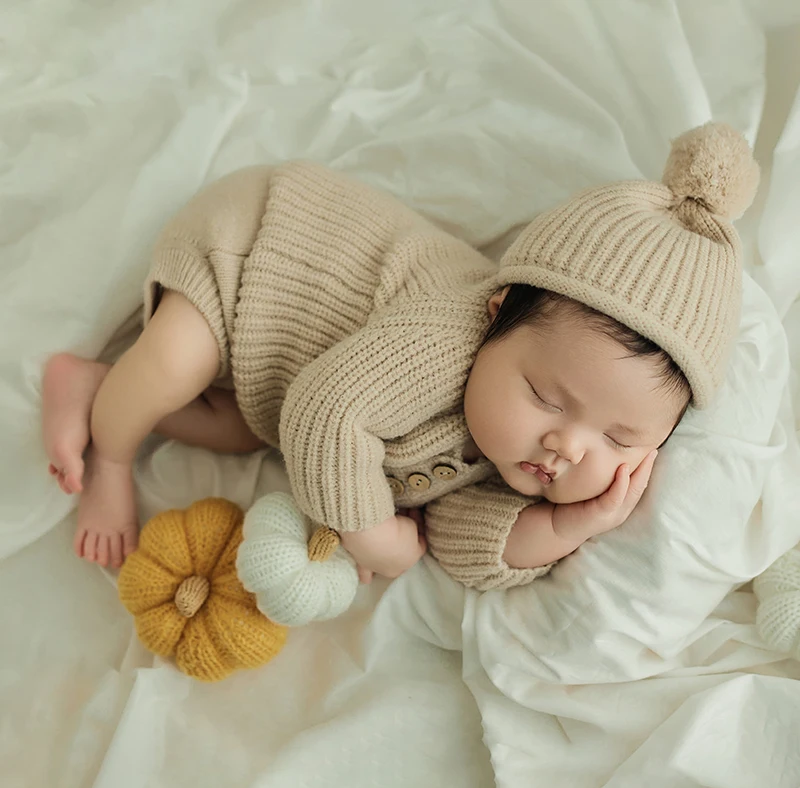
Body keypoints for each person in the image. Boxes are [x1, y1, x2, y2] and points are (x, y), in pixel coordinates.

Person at [41, 122, 759, 590]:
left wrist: (574, 524)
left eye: (619, 438)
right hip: (256, 249)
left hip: (269, 382)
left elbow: (459, 540)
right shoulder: (449, 340)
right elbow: (326, 412)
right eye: (547, 397)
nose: (567, 446)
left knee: (232, 431)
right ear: (493, 317)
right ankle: (109, 453)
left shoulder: (526, 457)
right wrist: (366, 531)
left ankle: (95, 387)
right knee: (174, 365)